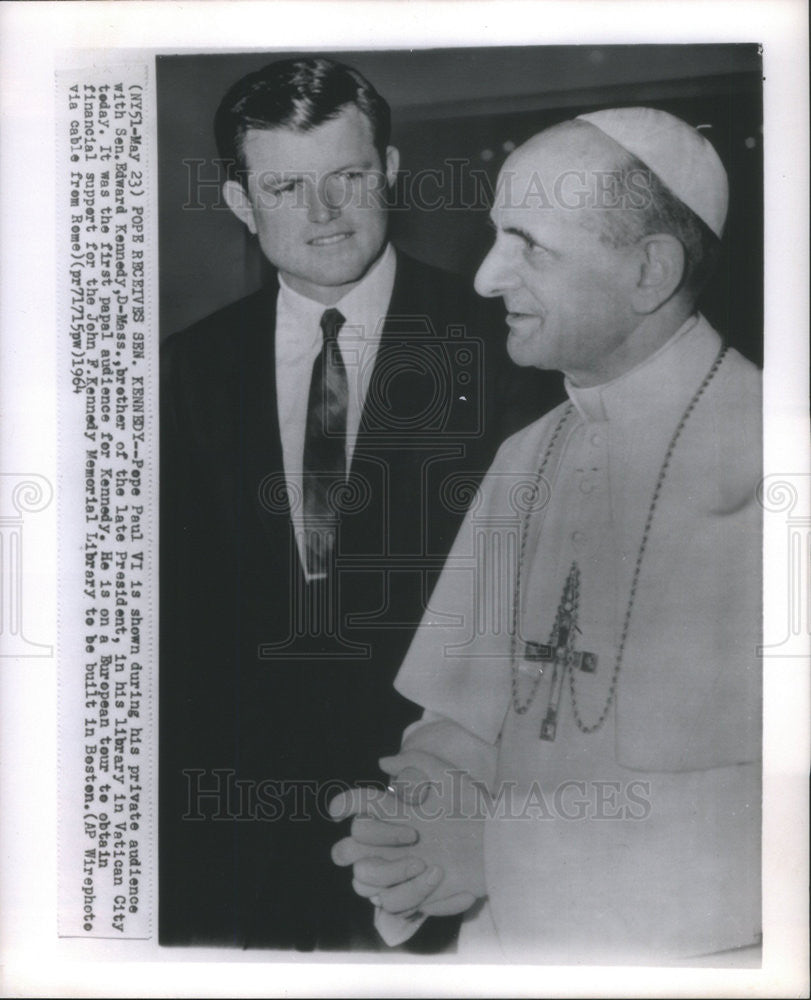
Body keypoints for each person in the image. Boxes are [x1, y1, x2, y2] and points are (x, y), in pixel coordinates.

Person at [330, 107, 762, 964]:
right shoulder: (526, 457)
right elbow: (460, 720)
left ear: (648, 270)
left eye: (528, 244)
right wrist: (417, 818)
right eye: (496, 237)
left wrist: (492, 852)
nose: (486, 277)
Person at [159, 57, 560, 951]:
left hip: (445, 826)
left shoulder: (505, 347)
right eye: (285, 186)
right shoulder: (188, 368)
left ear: (387, 171)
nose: (322, 213)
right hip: (240, 848)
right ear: (238, 202)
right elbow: (181, 632)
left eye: (346, 176)